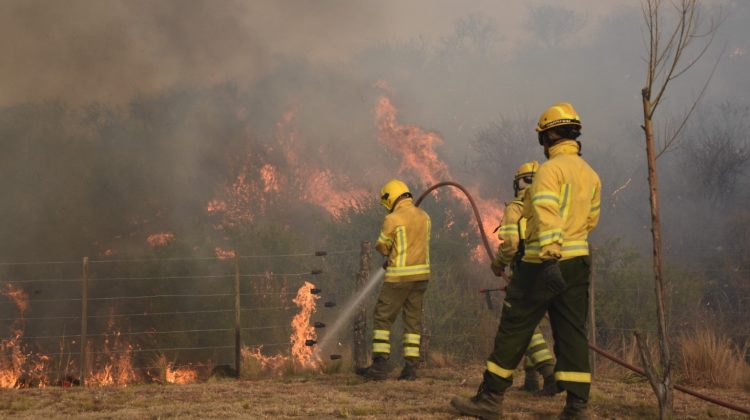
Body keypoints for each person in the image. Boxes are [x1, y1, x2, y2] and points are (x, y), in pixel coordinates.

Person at [451, 103, 601, 419]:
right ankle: (577, 407)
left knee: (514, 328)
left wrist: (547, 259)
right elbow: (590, 220)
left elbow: (546, 215)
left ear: (546, 137)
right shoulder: (590, 175)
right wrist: (567, 249)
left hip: (540, 264)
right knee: (572, 331)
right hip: (578, 261)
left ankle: (490, 399)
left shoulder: (549, 171)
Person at [491, 160, 556, 395]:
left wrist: (498, 264)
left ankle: (549, 373)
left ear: (520, 182)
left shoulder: (516, 208)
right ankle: (531, 380)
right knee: (535, 322)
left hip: (526, 272)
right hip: (551, 270)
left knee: (521, 324)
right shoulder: (550, 205)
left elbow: (510, 244)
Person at [358, 178, 431, 381]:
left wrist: (389, 255)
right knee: (413, 322)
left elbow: (382, 246)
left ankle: (380, 365)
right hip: (421, 278)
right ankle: (411, 368)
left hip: (399, 277)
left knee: (382, 317)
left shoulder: (393, 219)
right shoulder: (424, 217)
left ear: (390, 198)